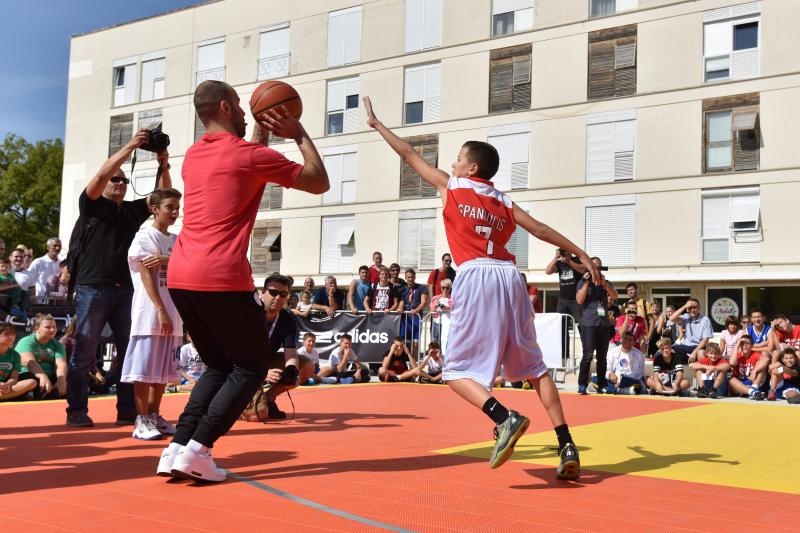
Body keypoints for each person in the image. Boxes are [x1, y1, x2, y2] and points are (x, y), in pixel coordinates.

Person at [365, 96, 598, 478]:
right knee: (535, 368)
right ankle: (566, 443)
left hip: (476, 275)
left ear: (471, 167)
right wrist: (582, 253)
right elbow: (539, 229)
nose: (452, 163)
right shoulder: (503, 200)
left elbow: (408, 154)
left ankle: (503, 416)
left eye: (457, 158)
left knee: (455, 371)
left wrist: (377, 125)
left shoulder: (453, 185)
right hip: (510, 277)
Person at [159, 80, 328, 482]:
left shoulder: (194, 156)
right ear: (225, 106)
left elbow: (248, 156)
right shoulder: (250, 155)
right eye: (238, 104)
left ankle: (177, 447)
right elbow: (317, 181)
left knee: (218, 365)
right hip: (221, 276)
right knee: (251, 366)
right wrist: (299, 133)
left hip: (182, 275)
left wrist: (263, 132)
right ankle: (199, 450)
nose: (244, 109)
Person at [65, 128, 172, 428]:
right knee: (84, 350)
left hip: (127, 290)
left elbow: (164, 197)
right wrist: (131, 146)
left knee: (129, 351)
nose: (121, 183)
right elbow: (101, 174)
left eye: (125, 180)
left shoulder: (132, 211)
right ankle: (76, 410)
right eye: (117, 179)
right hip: (93, 288)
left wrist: (163, 164)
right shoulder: (92, 206)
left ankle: (127, 410)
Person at [120, 188, 183, 441]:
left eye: (177, 208)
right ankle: (142, 419)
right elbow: (146, 273)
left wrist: (166, 259)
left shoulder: (177, 239)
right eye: (170, 207)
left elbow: (187, 264)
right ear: (155, 208)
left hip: (174, 312)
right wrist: (160, 309)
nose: (175, 212)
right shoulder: (145, 236)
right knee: (144, 369)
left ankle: (155, 415)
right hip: (151, 312)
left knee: (164, 370)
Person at [258, 273, 304, 419]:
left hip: (266, 361)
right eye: (273, 292)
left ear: (287, 297)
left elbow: (290, 354)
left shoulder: (288, 319)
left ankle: (268, 398)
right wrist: (262, 372)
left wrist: (292, 372)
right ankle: (247, 403)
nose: (278, 297)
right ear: (263, 293)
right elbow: (235, 355)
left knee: (307, 366)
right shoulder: (249, 313)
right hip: (241, 368)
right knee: (259, 415)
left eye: (283, 294)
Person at [575, 256, 618, 395]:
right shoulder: (583, 281)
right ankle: (582, 384)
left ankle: (602, 385)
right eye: (594, 267)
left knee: (602, 356)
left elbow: (615, 296)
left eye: (598, 267)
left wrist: (604, 284)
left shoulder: (605, 282)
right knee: (587, 355)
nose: (596, 270)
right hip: (588, 324)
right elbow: (579, 300)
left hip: (603, 324)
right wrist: (587, 282)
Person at [17, 314, 68, 399]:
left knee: (72, 380)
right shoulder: (26, 341)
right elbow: (29, 361)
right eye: (47, 327)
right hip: (31, 375)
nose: (52, 329)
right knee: (32, 381)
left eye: (54, 326)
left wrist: (61, 380)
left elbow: (61, 364)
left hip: (51, 376)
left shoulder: (57, 344)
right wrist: (42, 376)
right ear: (37, 329)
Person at [544, 248, 586, 323]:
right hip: (563, 299)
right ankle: (564, 335)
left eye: (565, 250)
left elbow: (583, 270)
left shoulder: (577, 260)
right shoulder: (560, 262)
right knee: (561, 323)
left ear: (570, 251)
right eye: (562, 251)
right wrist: (556, 258)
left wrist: (569, 262)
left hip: (576, 298)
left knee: (581, 322)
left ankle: (583, 335)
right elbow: (548, 271)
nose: (564, 253)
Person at [668, 298, 713, 362]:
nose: (692, 310)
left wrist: (694, 352)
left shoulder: (705, 320)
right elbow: (671, 318)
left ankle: (701, 371)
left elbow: (705, 340)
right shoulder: (686, 317)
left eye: (695, 307)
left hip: (698, 346)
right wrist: (685, 306)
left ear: (699, 308)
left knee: (701, 353)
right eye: (690, 308)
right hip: (686, 346)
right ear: (687, 309)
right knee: (670, 350)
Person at [0, 324, 37, 401]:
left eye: (13, 334)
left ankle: (3, 396)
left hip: (4, 387)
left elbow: (14, 378)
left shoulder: (15, 355)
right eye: (6, 334)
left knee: (32, 382)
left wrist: (6, 385)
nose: (11, 337)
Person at [398, 268, 428, 356]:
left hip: (416, 318)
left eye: (412, 277)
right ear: (405, 278)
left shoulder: (422, 287)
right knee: (406, 342)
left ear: (415, 277)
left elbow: (423, 302)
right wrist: (400, 308)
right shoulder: (403, 289)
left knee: (415, 343)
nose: (410, 279)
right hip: (405, 319)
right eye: (408, 277)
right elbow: (402, 301)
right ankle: (408, 365)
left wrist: (416, 310)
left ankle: (414, 365)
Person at [728, 335, 768, 400]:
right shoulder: (738, 355)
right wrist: (737, 345)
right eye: (742, 343)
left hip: (754, 382)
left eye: (747, 343)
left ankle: (754, 388)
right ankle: (752, 392)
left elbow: (766, 359)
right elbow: (732, 363)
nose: (745, 345)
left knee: (761, 367)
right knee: (731, 380)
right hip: (740, 384)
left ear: (752, 346)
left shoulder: (754, 354)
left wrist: (755, 371)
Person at [28, 238, 62, 303]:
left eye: (59, 246)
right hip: (39, 300)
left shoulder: (61, 264)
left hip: (55, 302)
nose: (57, 248)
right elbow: (29, 281)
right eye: (55, 246)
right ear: (48, 247)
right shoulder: (38, 262)